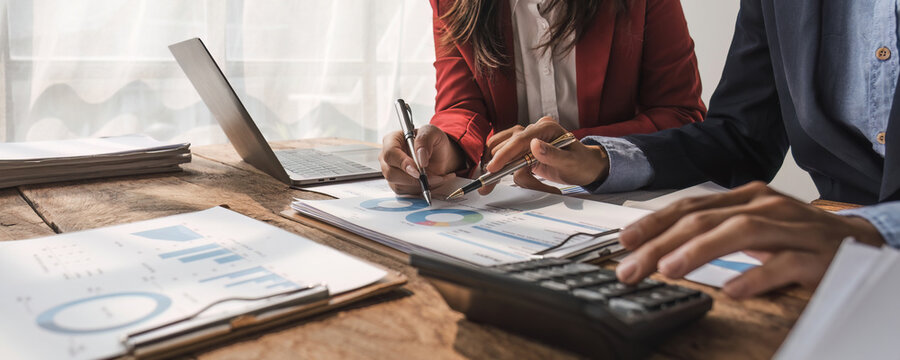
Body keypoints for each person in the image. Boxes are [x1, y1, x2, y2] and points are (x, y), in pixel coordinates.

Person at [485, 0, 900, 299]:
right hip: (834, 263)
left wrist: (877, 230)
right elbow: (741, 138)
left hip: (852, 247)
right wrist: (602, 160)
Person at [379, 0, 705, 195]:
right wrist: (445, 149)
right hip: (517, 208)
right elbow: (461, 107)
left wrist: (579, 150)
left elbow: (681, 115)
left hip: (622, 205)